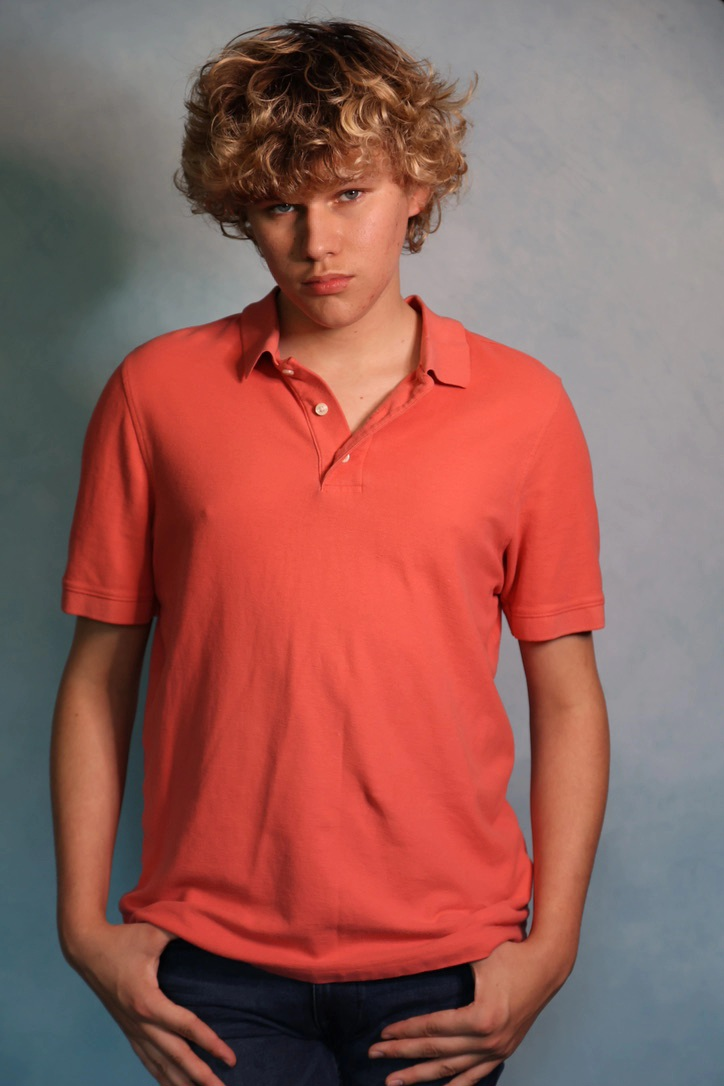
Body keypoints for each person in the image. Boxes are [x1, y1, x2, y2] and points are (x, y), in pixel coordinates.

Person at [50, 18, 609, 1086]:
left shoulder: (525, 408)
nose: (318, 242)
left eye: (350, 193)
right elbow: (97, 674)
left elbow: (568, 693)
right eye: (280, 205)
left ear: (418, 186)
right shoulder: (155, 393)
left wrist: (552, 947)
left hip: (449, 956)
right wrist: (84, 929)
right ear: (240, 210)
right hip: (213, 963)